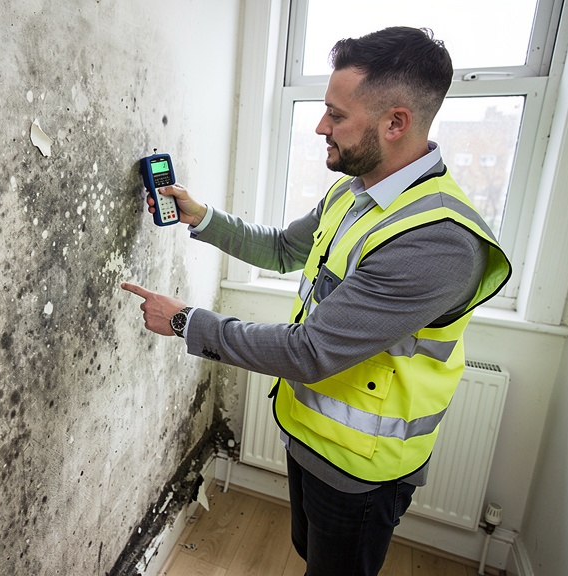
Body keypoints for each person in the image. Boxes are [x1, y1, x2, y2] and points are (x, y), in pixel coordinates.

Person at [121, 27, 511, 576]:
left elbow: (309, 352)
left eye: (335, 114)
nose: (320, 126)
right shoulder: (356, 190)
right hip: (309, 436)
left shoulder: (437, 241)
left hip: (360, 469)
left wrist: (186, 322)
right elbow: (284, 249)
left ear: (395, 122)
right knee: (311, 557)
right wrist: (200, 216)